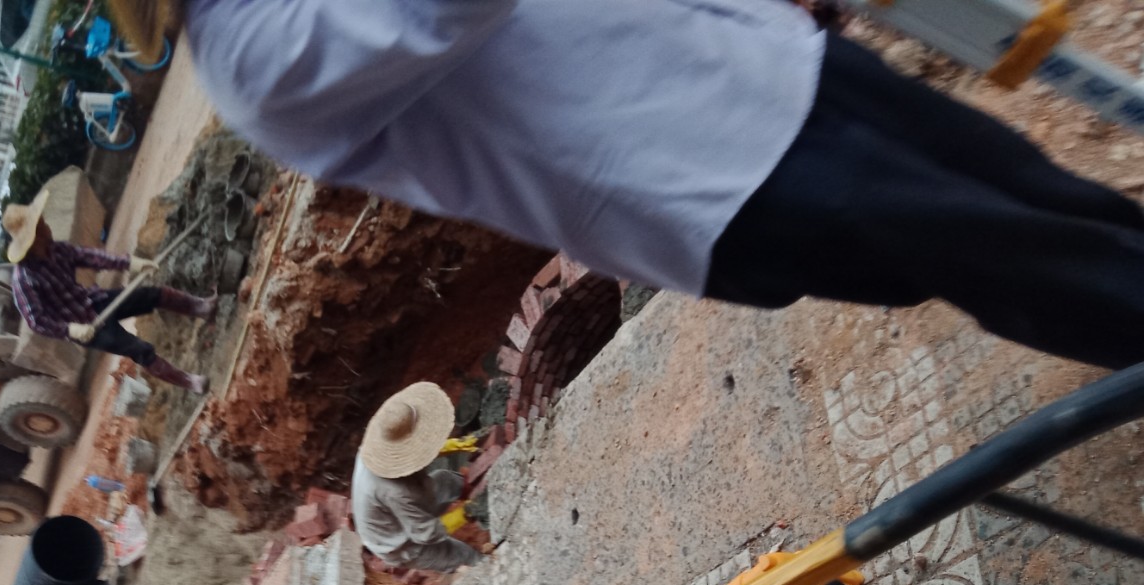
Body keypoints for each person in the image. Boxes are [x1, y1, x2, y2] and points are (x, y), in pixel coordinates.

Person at [161, 0, 1144, 371]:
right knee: (1029, 261)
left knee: (1034, 195)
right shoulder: (252, 54)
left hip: (759, 64)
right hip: (716, 176)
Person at [0, 192, 217, 392]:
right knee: (138, 348)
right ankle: (190, 382)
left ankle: (202, 307)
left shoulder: (55, 249)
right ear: (34, 237)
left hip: (94, 300)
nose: (47, 225)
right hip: (86, 327)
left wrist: (131, 263)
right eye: (41, 225)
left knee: (151, 294)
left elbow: (91, 257)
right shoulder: (24, 281)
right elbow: (37, 321)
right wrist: (70, 330)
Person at [352, 383, 482, 574]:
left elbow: (415, 448)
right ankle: (489, 570)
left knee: (445, 480)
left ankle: (480, 491)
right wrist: (466, 512)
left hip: (395, 505)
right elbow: (425, 532)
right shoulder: (397, 491)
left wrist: (451, 445)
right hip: (400, 543)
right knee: (463, 555)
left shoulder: (375, 447)